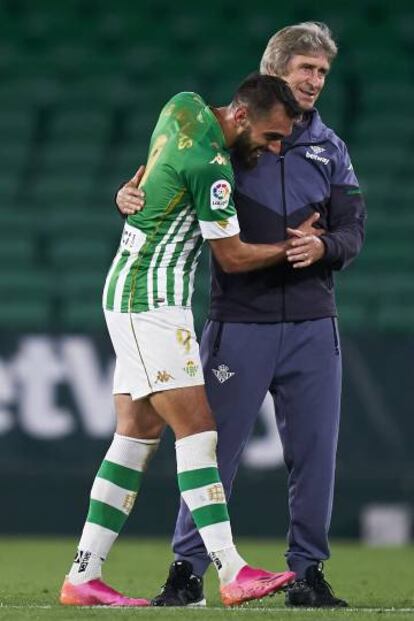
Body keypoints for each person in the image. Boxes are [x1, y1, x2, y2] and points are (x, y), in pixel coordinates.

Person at [116, 23, 366, 608]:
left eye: (322, 73)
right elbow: (157, 182)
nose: (315, 81)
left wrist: (324, 248)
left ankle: (307, 573)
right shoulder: (229, 136)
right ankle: (187, 570)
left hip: (312, 323)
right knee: (211, 448)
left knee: (314, 455)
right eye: (305, 69)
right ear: (274, 72)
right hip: (240, 322)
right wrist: (127, 194)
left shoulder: (331, 149)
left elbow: (353, 230)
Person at [59, 74, 305, 608]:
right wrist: (292, 249)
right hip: (151, 299)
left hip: (129, 286)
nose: (275, 147)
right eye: (271, 136)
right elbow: (233, 258)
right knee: (197, 429)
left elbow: (148, 178)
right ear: (242, 117)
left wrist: (126, 194)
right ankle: (232, 568)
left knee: (137, 435)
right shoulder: (212, 168)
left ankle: (84, 574)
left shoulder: (181, 106)